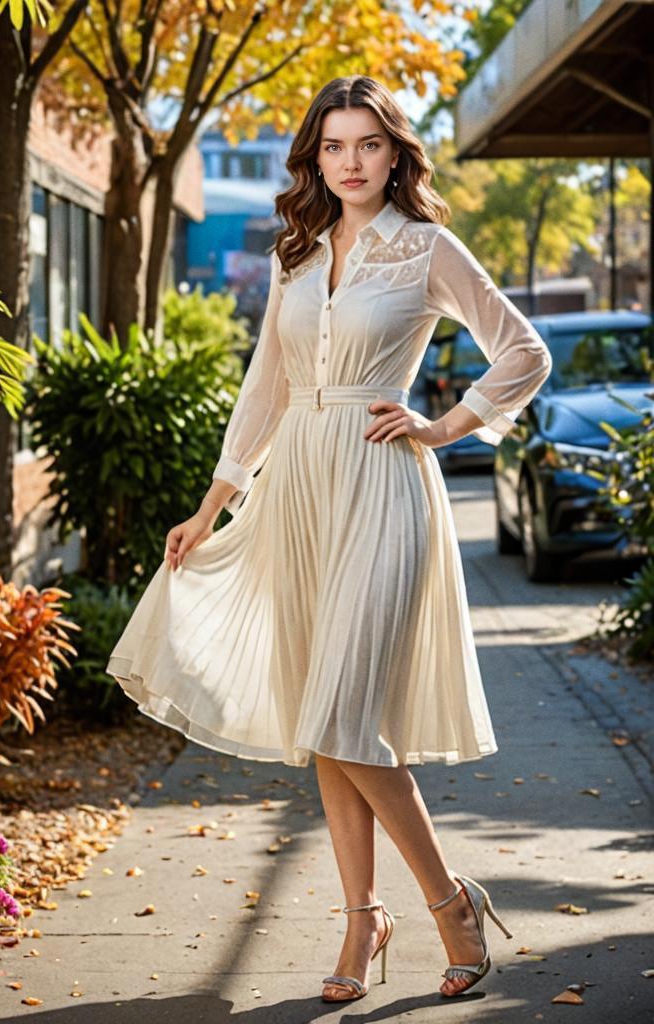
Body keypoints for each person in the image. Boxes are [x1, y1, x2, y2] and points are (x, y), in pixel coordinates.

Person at [106, 74, 552, 1002]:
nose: (351, 162)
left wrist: (444, 423)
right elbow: (265, 386)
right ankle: (362, 921)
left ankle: (445, 901)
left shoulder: (428, 247)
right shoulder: (295, 254)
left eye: (370, 145)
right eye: (334, 146)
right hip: (297, 491)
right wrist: (212, 502)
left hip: (384, 486)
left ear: (396, 154)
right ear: (314, 157)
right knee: (327, 725)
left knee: (345, 712)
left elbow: (524, 350)